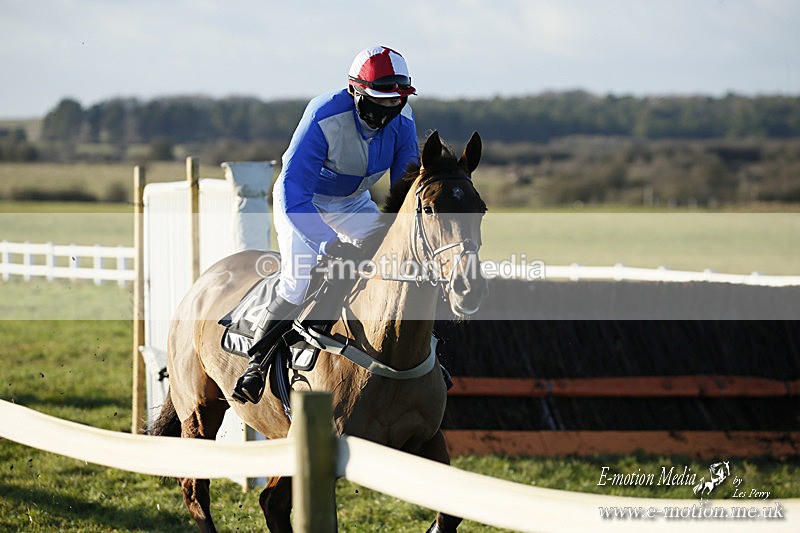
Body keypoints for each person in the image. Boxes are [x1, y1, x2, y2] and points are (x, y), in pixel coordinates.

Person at [233, 45, 420, 403]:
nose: (387, 113)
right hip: (304, 204)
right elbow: (293, 192)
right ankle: (256, 364)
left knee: (395, 265)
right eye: (378, 102)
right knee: (298, 281)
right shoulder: (323, 114)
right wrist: (328, 245)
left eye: (395, 102)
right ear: (355, 91)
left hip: (352, 204)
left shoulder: (404, 119)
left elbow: (403, 191)